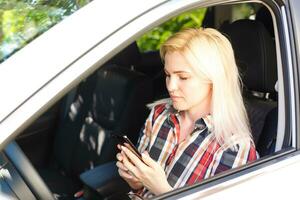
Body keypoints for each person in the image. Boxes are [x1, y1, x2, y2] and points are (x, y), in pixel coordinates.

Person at [116, 27, 258, 199]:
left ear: (213, 79)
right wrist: (136, 182)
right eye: (168, 75)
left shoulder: (234, 146)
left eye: (183, 77)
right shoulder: (159, 115)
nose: (170, 86)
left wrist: (163, 190)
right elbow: (140, 190)